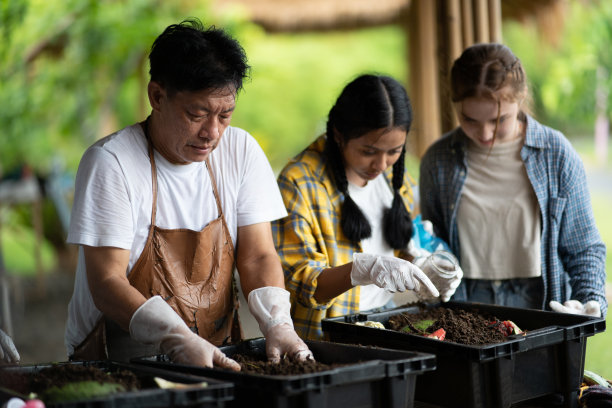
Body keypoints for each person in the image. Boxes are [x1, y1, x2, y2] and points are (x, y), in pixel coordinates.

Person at [64, 18, 312, 369]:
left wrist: (278, 323)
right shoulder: (112, 163)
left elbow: (257, 257)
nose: (212, 132)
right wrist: (178, 338)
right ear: (157, 96)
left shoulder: (240, 152)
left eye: (225, 115)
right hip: (121, 360)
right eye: (197, 114)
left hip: (221, 355)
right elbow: (106, 281)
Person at [419, 43, 607, 317]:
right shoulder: (438, 160)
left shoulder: (556, 153)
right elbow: (431, 246)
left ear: (521, 99)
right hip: (464, 301)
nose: (485, 133)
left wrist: (589, 299)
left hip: (539, 298)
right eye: (469, 119)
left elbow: (583, 247)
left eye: (499, 120)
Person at [272, 74, 462, 340]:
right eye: (368, 152)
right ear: (338, 135)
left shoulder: (398, 181)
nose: (381, 165)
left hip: (386, 321)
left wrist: (424, 265)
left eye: (394, 151)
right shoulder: (300, 183)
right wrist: (361, 270)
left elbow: (396, 253)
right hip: (327, 334)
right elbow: (300, 285)